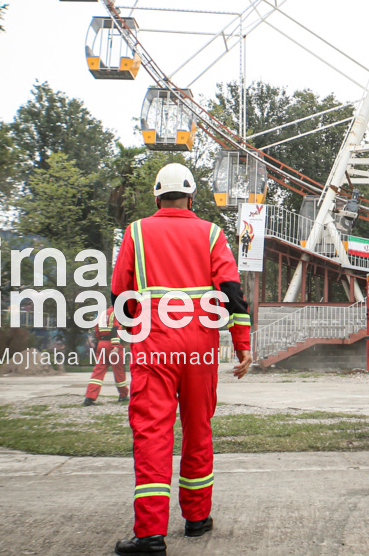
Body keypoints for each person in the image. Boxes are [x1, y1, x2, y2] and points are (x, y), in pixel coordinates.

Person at [110, 163, 255, 555]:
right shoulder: (211, 234)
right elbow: (231, 292)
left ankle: (151, 534)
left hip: (154, 347)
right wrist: (241, 343)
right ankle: (196, 518)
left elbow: (120, 291)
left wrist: (128, 334)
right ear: (191, 197)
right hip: (200, 349)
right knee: (198, 429)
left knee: (152, 435)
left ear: (157, 196)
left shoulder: (136, 233)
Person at [83, 305, 130, 405]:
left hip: (102, 344)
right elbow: (115, 329)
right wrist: (116, 346)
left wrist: (100, 340)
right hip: (113, 345)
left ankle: (90, 397)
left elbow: (96, 330)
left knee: (98, 371)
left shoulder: (102, 314)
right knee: (119, 371)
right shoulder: (116, 313)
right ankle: (123, 395)